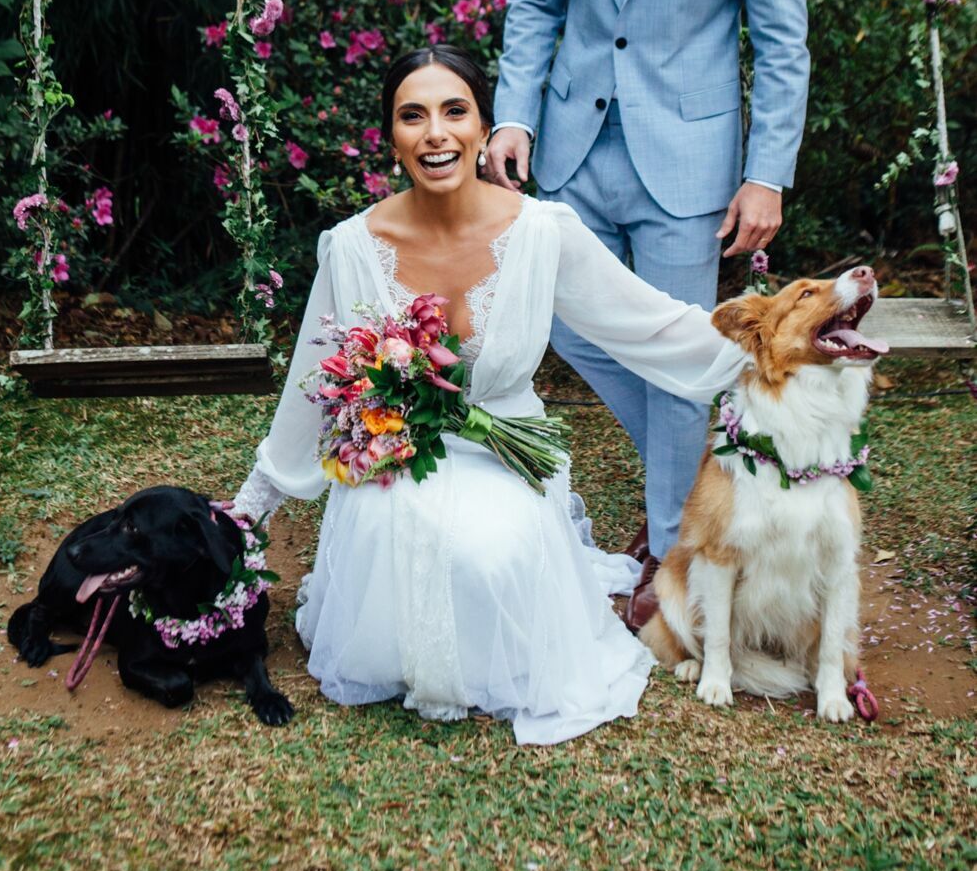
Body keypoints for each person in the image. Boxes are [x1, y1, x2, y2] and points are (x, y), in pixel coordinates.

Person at [233, 45, 747, 746]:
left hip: (507, 451)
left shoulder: (541, 232)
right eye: (412, 117)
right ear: (390, 136)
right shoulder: (351, 247)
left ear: (483, 127)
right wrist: (251, 504)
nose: (435, 134)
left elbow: (649, 322)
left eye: (454, 112)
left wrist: (773, 340)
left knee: (487, 553)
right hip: (395, 450)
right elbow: (312, 379)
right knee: (397, 537)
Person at [486, 0, 809, 633]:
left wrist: (765, 171)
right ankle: (699, 476)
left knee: (678, 357)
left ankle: (672, 546)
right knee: (558, 319)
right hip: (574, 147)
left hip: (691, 163)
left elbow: (780, 40)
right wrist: (514, 117)